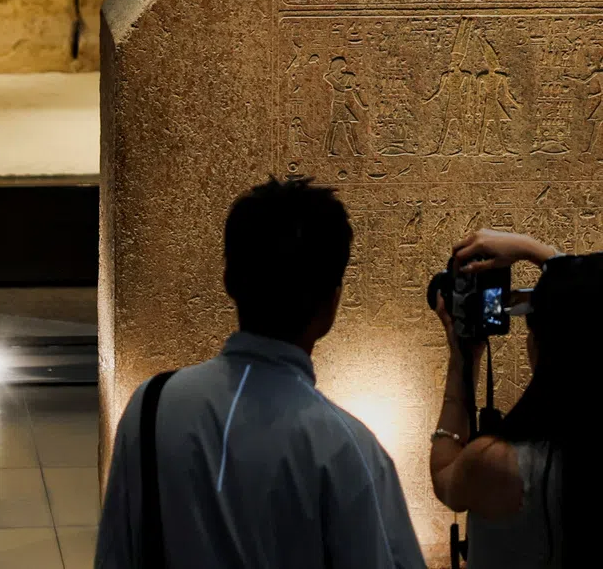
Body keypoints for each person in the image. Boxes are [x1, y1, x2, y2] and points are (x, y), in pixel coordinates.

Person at [96, 177, 425, 569]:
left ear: (229, 281)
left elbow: (115, 554)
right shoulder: (347, 448)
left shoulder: (149, 406)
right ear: (331, 303)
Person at [431, 229, 603, 567]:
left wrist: (462, 361)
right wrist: (537, 250)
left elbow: (443, 475)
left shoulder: (499, 466)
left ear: (537, 348)